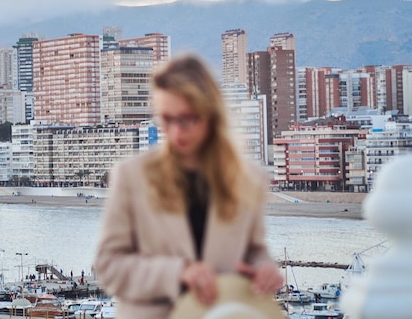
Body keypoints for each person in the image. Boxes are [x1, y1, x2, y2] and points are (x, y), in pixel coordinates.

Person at [95, 54, 283, 318]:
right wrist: (178, 272)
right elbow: (108, 267)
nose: (175, 132)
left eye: (186, 119)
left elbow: (253, 250)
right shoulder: (131, 177)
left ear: (211, 115)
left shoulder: (247, 179)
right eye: (166, 119)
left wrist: (264, 268)